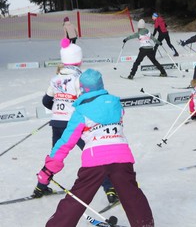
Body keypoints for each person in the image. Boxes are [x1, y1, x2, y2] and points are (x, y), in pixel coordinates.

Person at [35, 69, 154, 227]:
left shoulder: (81, 112)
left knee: (77, 198)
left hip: (95, 160)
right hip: (122, 157)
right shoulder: (116, 104)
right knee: (132, 195)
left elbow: (66, 142)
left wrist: (49, 169)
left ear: (82, 88)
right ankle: (145, 224)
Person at [32, 38, 117, 204]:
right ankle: (110, 189)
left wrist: (58, 109)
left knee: (56, 154)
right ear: (78, 60)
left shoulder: (55, 78)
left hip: (57, 123)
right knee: (94, 152)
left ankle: (40, 185)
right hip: (75, 124)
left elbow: (46, 101)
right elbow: (87, 100)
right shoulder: (80, 78)